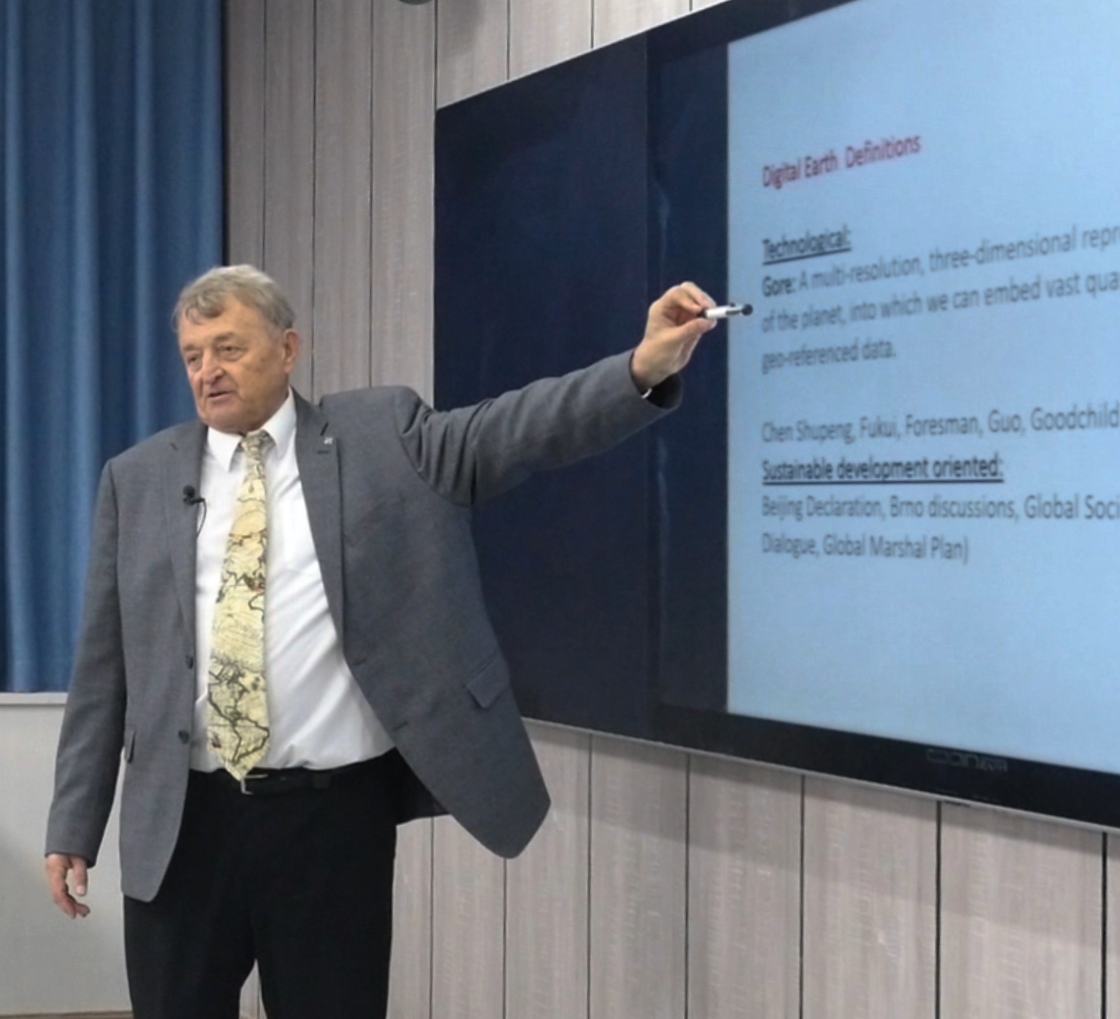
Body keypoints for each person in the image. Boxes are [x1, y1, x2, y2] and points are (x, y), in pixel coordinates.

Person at [45, 264, 717, 1019]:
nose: (209, 371)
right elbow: (102, 669)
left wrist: (641, 368)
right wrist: (73, 822)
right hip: (181, 820)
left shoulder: (382, 437)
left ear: (288, 348)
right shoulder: (136, 479)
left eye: (229, 348)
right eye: (193, 356)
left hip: (329, 824)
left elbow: (516, 429)